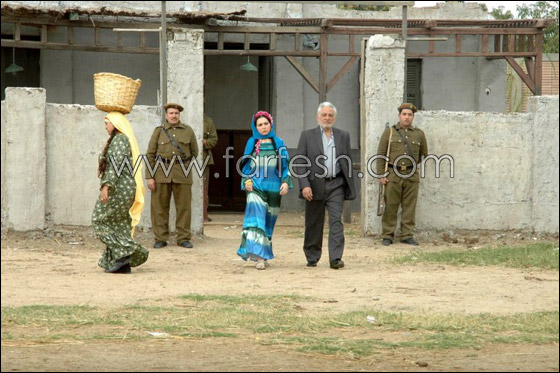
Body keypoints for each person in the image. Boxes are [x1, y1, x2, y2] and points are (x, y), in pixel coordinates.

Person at [294, 102, 356, 269]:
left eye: (330, 115)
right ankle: (312, 256)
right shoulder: (307, 135)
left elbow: (347, 161)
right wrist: (304, 185)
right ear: (318, 117)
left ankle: (335, 258)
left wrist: (348, 183)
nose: (327, 118)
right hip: (313, 185)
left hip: (336, 184)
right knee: (314, 222)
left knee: (336, 221)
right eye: (324, 115)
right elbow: (300, 162)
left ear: (334, 118)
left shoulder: (343, 135)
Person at [92, 112, 149, 273]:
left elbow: (115, 166)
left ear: (115, 124)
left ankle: (129, 251)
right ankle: (121, 263)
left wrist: (106, 186)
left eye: (107, 123)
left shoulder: (119, 140)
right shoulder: (121, 139)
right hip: (125, 187)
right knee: (120, 224)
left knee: (99, 220)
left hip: (119, 187)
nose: (105, 127)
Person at [237, 111, 292, 270]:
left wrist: (286, 182)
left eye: (266, 124)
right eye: (260, 125)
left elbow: (285, 165)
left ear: (271, 124)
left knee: (268, 222)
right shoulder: (252, 142)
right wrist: (246, 180)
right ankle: (260, 258)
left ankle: (264, 253)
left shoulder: (278, 142)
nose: (263, 127)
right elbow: (245, 165)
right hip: (255, 187)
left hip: (274, 189)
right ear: (255, 127)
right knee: (256, 221)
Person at [146, 103, 199, 249]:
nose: (174, 116)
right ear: (166, 115)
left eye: (176, 113)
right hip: (161, 172)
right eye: (171, 113)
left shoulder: (188, 131)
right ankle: (160, 238)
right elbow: (150, 155)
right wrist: (150, 177)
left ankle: (183, 238)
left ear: (179, 115)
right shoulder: (159, 131)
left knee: (184, 207)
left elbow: (195, 152)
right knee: (159, 207)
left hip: (182, 173)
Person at [376, 103, 428, 246]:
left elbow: (424, 154)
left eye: (409, 115)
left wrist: (410, 166)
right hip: (393, 174)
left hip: (411, 175)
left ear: (413, 117)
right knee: (391, 205)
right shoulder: (390, 132)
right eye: (404, 114)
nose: (407, 117)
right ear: (399, 116)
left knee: (409, 206)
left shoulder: (419, 134)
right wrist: (381, 174)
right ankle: (388, 234)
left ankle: (406, 234)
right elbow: (380, 154)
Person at [202, 115, 218, 222]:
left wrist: (204, 142)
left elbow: (214, 139)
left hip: (204, 159)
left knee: (204, 187)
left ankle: (204, 214)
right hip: (186, 159)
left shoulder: (208, 121)